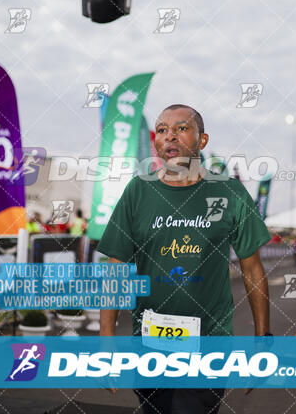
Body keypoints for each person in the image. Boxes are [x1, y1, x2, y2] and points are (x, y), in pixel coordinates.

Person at [98, 104, 272, 414]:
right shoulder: (138, 191)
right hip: (148, 343)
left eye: (181, 128)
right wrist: (106, 339)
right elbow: (116, 266)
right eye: (162, 130)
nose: (170, 136)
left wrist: (263, 339)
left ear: (202, 140)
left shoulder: (229, 192)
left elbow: (252, 267)